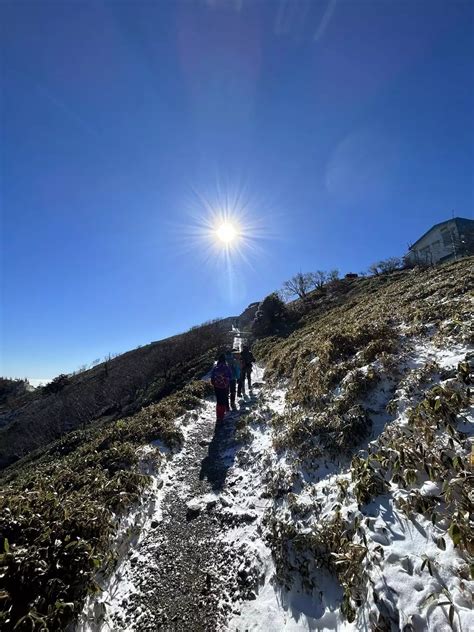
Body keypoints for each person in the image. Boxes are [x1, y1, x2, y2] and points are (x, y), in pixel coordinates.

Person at [211, 354, 232, 422]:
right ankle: (222, 416)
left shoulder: (215, 367)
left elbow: (212, 377)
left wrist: (214, 384)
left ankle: (218, 415)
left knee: (218, 401)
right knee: (223, 400)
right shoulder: (227, 367)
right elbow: (230, 376)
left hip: (216, 386)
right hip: (224, 386)